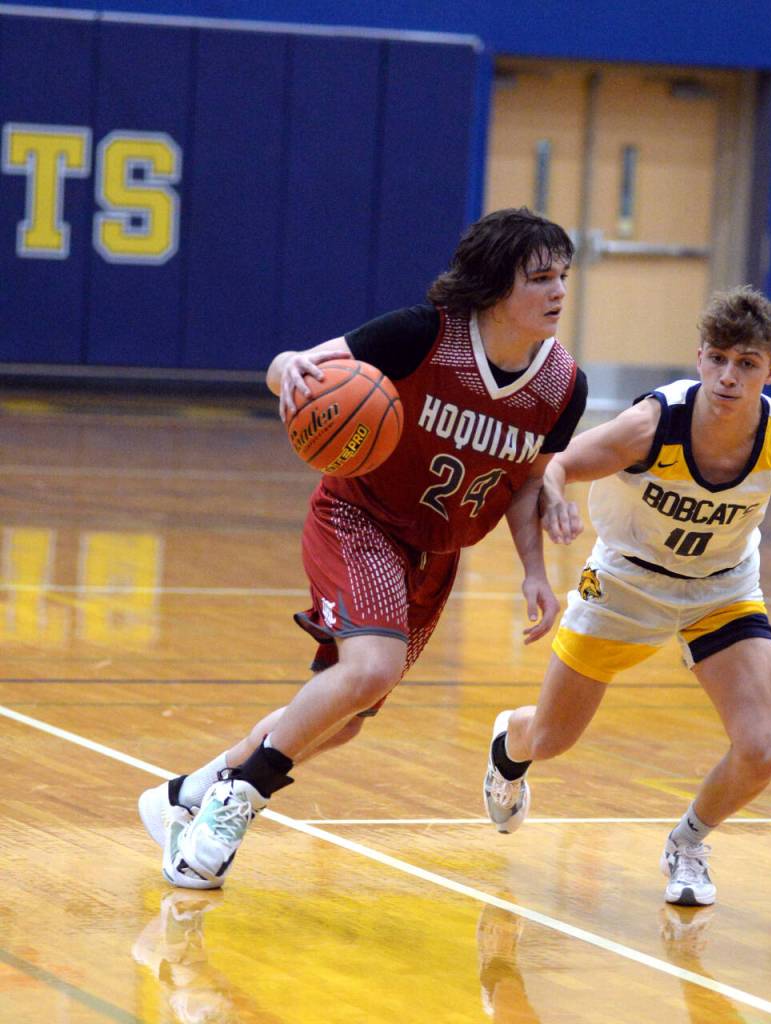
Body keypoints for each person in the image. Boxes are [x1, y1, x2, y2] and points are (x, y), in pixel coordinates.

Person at [139, 207, 588, 889]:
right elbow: (291, 370)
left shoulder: (564, 387)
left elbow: (525, 484)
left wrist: (535, 570)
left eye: (563, 276)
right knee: (370, 669)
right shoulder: (420, 336)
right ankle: (239, 800)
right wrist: (288, 366)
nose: (558, 291)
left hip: (435, 556)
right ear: (497, 286)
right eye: (540, 278)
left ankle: (186, 795)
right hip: (360, 518)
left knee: (342, 716)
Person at [482, 285, 771, 906]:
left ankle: (688, 842)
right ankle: (509, 742)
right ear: (700, 357)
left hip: (721, 591)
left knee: (762, 750)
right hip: (627, 582)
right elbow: (557, 463)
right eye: (718, 359)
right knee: (551, 739)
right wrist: (555, 496)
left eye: (747, 364)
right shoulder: (653, 423)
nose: (729, 377)